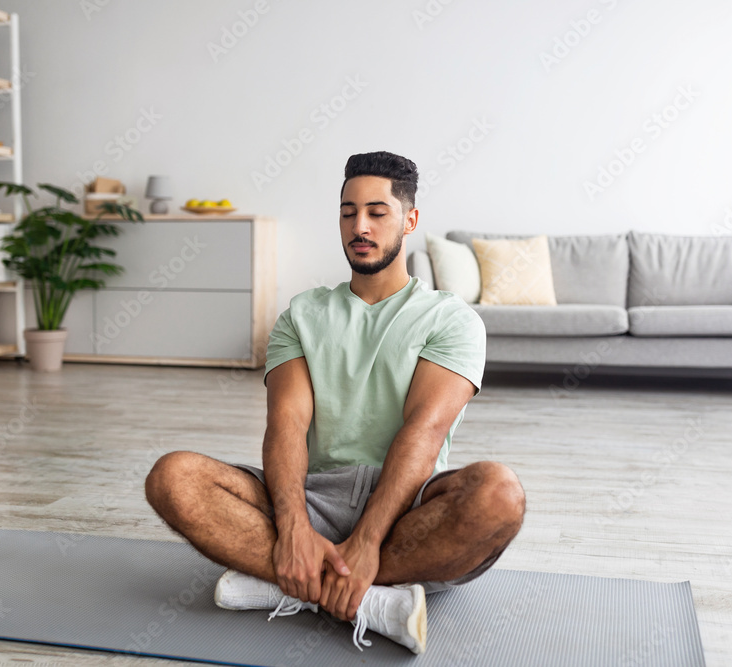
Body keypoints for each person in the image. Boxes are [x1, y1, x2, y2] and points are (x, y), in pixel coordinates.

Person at [145, 151, 526, 654]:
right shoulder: (302, 315)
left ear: (409, 220)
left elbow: (424, 432)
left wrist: (369, 540)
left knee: (499, 494)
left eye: (376, 212)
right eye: (348, 213)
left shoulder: (450, 319)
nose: (359, 226)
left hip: (403, 509)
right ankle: (369, 599)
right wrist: (295, 527)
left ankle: (291, 583)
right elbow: (287, 423)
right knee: (173, 478)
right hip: (311, 494)